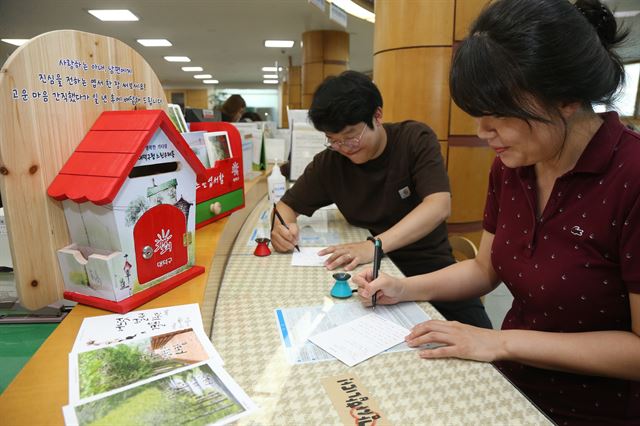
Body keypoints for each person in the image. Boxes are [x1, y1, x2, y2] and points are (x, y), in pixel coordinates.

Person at [353, 0, 640, 424]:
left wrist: (501, 343)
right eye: (477, 117)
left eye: (498, 116)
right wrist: (403, 288)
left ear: (566, 98)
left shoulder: (631, 176)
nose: (482, 133)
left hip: (593, 408)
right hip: (507, 386)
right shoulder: (514, 167)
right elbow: (486, 269)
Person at [271, 70, 492, 329]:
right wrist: (282, 228)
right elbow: (286, 206)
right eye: (333, 140)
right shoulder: (330, 163)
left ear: (377, 115)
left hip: (431, 274)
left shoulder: (414, 140)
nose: (345, 147)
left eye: (352, 136)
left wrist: (374, 246)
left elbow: (438, 205)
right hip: (369, 281)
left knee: (483, 352)